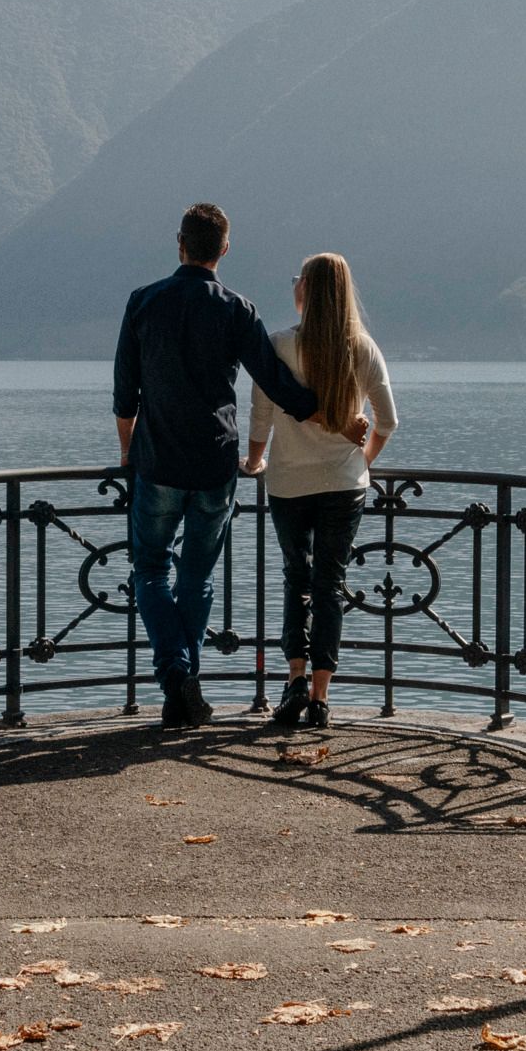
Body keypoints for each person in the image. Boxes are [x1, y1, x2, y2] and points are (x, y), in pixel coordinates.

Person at [111, 203, 365, 729]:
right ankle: (186, 685)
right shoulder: (237, 310)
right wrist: (338, 422)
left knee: (150, 570)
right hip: (215, 465)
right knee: (197, 578)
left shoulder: (143, 302)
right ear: (224, 249)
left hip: (156, 462)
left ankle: (178, 676)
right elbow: (276, 384)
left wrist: (126, 451)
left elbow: (124, 394)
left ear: (178, 243)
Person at [242, 253, 397, 732]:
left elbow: (261, 416)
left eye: (297, 280)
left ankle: (293, 678)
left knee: (297, 578)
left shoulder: (279, 346)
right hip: (343, 485)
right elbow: (388, 421)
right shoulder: (363, 349)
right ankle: (321, 697)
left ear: (305, 290)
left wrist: (253, 463)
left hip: (288, 483)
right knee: (330, 586)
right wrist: (361, 465)